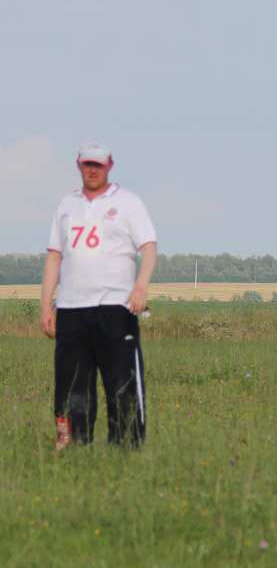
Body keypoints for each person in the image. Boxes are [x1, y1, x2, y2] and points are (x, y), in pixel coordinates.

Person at [40, 143, 157, 450]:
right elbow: (54, 256)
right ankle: (75, 447)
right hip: (71, 309)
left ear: (109, 166)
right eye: (87, 164)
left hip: (115, 308)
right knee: (72, 386)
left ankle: (126, 449)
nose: (92, 170)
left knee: (122, 383)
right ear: (78, 165)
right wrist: (46, 305)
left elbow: (148, 246)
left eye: (98, 165)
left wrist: (141, 286)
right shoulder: (66, 205)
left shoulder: (128, 202)